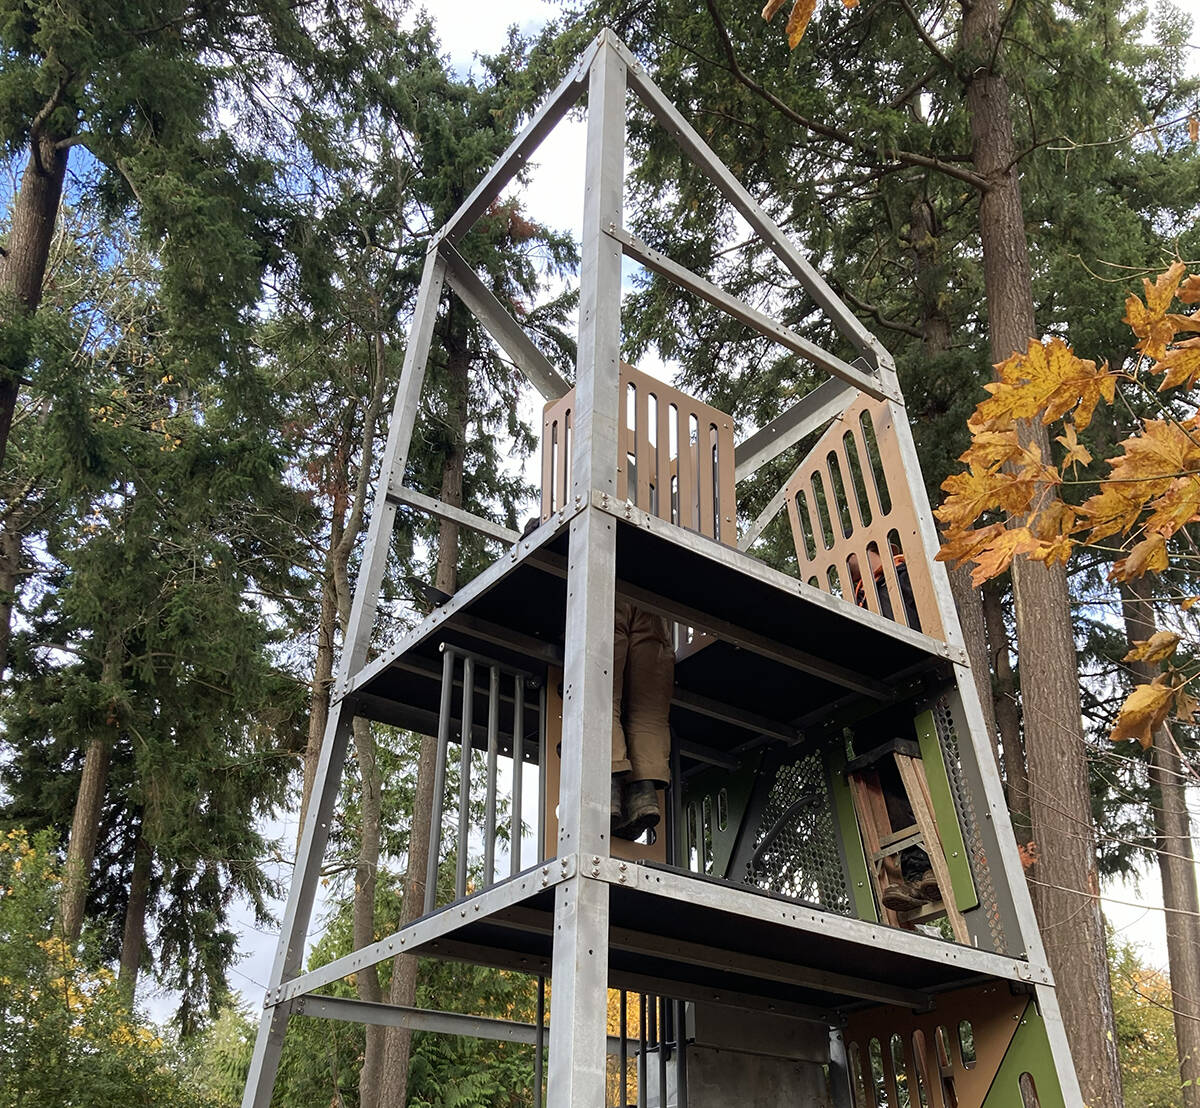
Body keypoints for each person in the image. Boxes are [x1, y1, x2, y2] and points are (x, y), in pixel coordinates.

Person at [610, 601, 674, 840]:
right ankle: (643, 795)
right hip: (651, 596)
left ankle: (608, 787)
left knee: (602, 696)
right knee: (649, 710)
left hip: (603, 583)